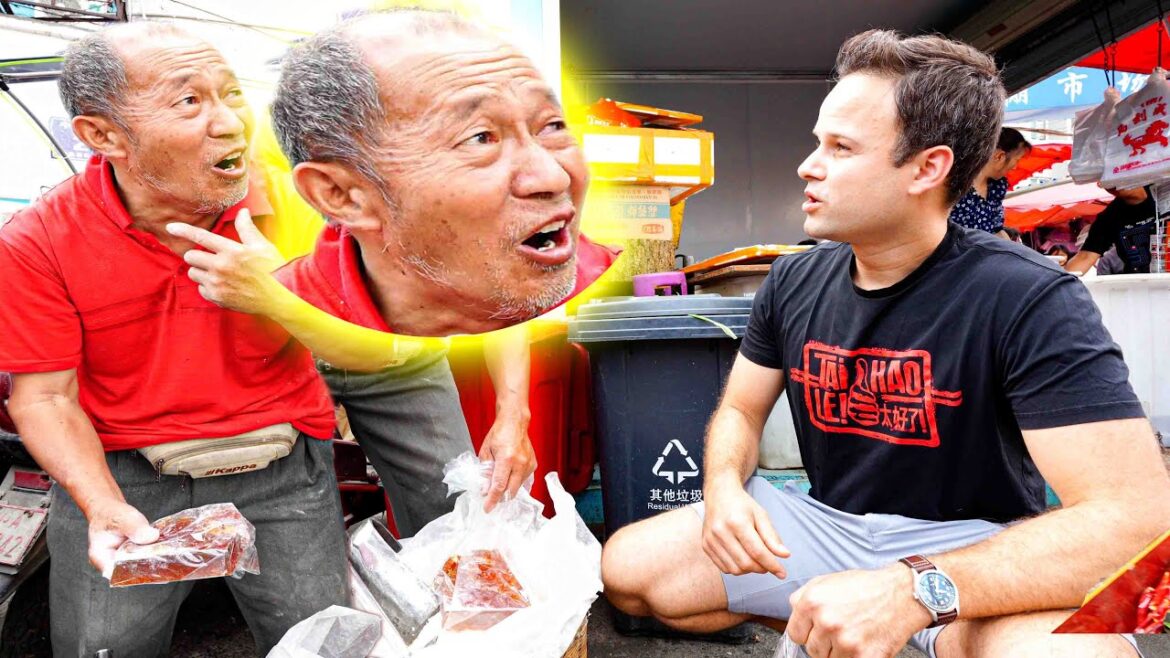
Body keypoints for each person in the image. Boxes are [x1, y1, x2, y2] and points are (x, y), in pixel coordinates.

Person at [601, 29, 1168, 658]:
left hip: (971, 545)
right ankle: (844, 625)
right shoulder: (793, 278)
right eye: (818, 142)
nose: (808, 165)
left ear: (929, 168)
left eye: (840, 147)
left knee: (1077, 655)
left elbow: (1138, 520)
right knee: (631, 569)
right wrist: (725, 491)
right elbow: (739, 410)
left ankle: (918, 628)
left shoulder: (1029, 297)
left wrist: (916, 588)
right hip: (827, 526)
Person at [0, 23, 348, 655]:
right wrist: (102, 507)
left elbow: (367, 350)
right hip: (124, 477)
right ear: (103, 136)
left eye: (231, 94)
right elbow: (44, 399)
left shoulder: (302, 202)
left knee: (325, 645)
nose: (230, 124)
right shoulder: (38, 241)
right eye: (189, 102)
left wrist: (276, 292)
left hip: (284, 472)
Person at [170, 10, 618, 338]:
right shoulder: (284, 315)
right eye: (481, 138)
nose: (553, 177)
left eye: (552, 126)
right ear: (341, 194)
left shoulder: (613, 290)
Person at [948, 127, 1031, 237]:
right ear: (999, 156)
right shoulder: (954, 181)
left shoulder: (998, 186)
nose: (1015, 167)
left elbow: (997, 230)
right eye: (1017, 160)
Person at [1065, 186, 1158, 275]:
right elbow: (1085, 257)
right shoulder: (1110, 216)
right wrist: (1058, 281)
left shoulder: (1163, 194)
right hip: (1139, 286)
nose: (1108, 185)